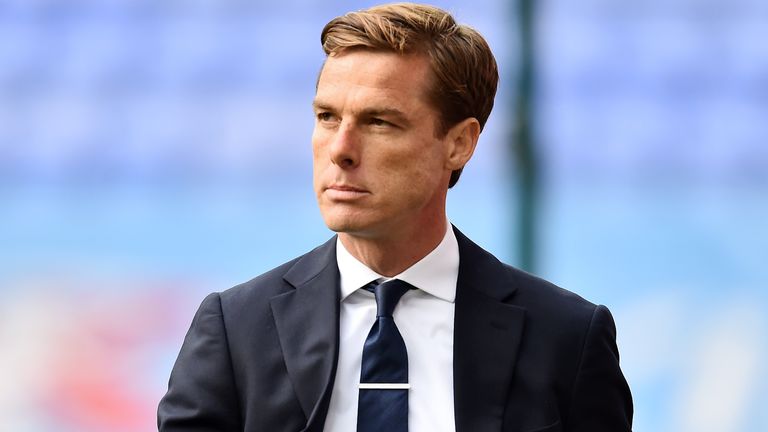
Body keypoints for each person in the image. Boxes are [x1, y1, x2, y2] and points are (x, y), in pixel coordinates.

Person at [157, 3, 633, 431]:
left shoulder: (566, 337)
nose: (340, 150)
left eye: (379, 122)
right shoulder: (235, 328)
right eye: (326, 117)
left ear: (459, 143)